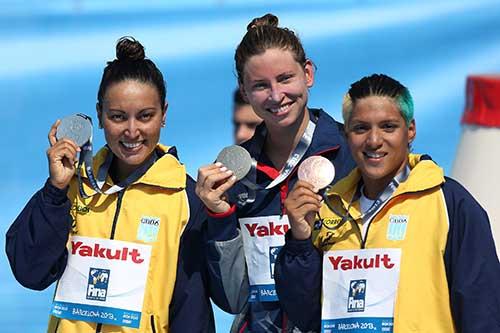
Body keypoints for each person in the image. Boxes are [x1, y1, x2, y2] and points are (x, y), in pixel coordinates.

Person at [5, 36, 230, 333]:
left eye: (146, 116)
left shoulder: (185, 197)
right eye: (118, 117)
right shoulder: (74, 185)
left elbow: (191, 309)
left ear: (164, 114)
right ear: (99, 115)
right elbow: (29, 272)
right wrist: (54, 190)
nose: (132, 131)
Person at [275, 74, 500, 332]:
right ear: (347, 134)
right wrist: (300, 242)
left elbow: (482, 310)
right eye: (361, 128)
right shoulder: (327, 207)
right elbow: (305, 314)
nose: (374, 140)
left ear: (411, 130)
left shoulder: (449, 202)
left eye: (388, 127)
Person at [196, 14, 355, 333]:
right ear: (244, 90)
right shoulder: (237, 172)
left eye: (285, 78)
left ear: (307, 73)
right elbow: (233, 298)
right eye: (260, 85)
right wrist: (219, 216)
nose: (276, 95)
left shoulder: (351, 155)